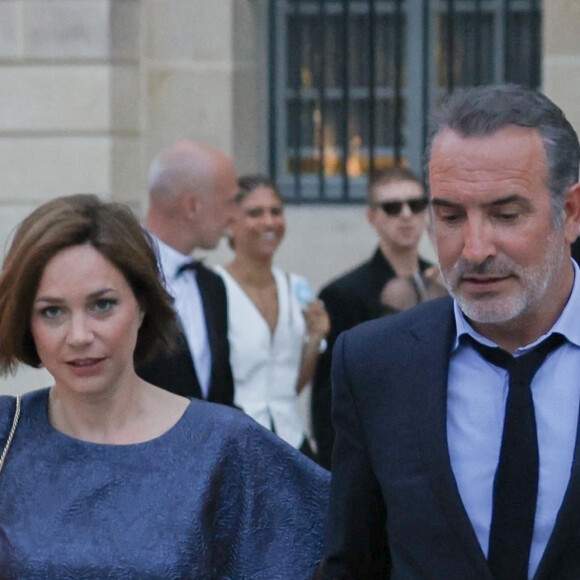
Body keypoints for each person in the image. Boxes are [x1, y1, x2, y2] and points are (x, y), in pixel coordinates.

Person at [321, 84, 580, 579]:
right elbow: (353, 561)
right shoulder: (374, 363)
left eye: (506, 215)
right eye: (450, 216)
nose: (474, 248)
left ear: (569, 213)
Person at [0, 194, 330, 578]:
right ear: (27, 321)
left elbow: (359, 533)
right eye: (52, 311)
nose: (79, 335)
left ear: (142, 306)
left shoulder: (226, 446)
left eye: (102, 305)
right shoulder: (8, 433)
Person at [311, 166, 442, 468]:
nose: (406, 215)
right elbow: (330, 396)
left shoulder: (444, 284)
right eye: (393, 207)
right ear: (373, 217)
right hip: (373, 450)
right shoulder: (342, 293)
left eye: (416, 204)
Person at [214, 175, 330, 458]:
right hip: (235, 445)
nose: (269, 222)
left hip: (292, 441)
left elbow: (289, 386)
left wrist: (315, 339)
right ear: (230, 223)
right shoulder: (214, 287)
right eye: (255, 213)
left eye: (276, 212)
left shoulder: (296, 288)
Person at [136, 139, 237, 406]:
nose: (234, 216)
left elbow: (220, 395)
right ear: (192, 206)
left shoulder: (212, 286)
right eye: (229, 202)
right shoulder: (121, 276)